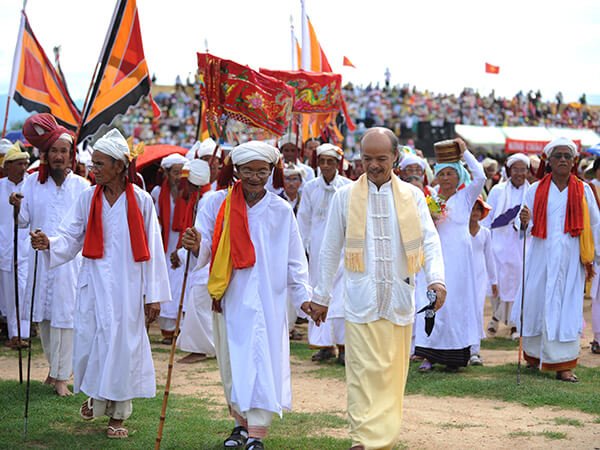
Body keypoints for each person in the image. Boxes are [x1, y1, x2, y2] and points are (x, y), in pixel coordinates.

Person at [308, 127, 446, 450]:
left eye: (381, 158)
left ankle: (382, 439)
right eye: (367, 158)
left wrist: (436, 279)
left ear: (395, 157)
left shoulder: (412, 196)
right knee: (360, 374)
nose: (373, 165)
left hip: (398, 298)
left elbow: (429, 240)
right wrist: (321, 297)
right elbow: (330, 249)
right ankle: (362, 439)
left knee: (391, 376)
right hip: (361, 300)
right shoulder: (345, 197)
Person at [30, 128, 170, 438]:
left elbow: (155, 250)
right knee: (92, 343)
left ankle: (118, 416)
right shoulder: (86, 198)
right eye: (93, 164)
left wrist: (154, 295)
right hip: (93, 284)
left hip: (128, 289)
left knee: (122, 348)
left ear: (120, 165)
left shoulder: (143, 201)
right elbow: (70, 236)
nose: (94, 170)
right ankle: (95, 396)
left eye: (100, 164)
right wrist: (48, 242)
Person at [181, 141, 311, 450]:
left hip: (268, 299)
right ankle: (240, 426)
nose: (255, 178)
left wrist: (303, 297)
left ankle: (257, 434)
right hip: (229, 295)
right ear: (236, 171)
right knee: (232, 362)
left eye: (262, 172)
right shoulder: (215, 203)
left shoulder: (281, 209)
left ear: (270, 172)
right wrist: (195, 242)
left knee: (262, 361)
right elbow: (206, 245)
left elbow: (295, 260)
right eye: (248, 171)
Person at [11, 113, 90, 396]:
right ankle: (52, 369)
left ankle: (61, 376)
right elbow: (23, 221)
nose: (58, 156)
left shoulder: (82, 187)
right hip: (40, 260)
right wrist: (17, 207)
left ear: (71, 156)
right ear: (46, 154)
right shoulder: (32, 183)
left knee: (65, 318)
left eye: (63, 151)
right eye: (54, 151)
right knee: (44, 317)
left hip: (69, 261)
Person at [514, 137, 600, 382]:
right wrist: (522, 221)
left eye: (567, 156)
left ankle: (564, 365)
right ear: (549, 161)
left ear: (574, 161)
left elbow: (595, 224)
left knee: (566, 309)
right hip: (540, 257)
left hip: (571, 259)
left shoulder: (583, 190)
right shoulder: (535, 189)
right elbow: (521, 222)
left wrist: (595, 256)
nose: (562, 160)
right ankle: (534, 355)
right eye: (558, 156)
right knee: (536, 304)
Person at [414, 138, 486, 372]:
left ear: (458, 176)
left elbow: (481, 177)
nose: (445, 178)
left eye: (450, 174)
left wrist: (465, 153)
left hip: (459, 261)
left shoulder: (466, 197)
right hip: (436, 257)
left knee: (455, 304)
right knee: (433, 301)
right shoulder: (431, 198)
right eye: (441, 174)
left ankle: (454, 356)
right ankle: (428, 354)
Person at [297, 143, 352, 365]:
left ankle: (344, 345)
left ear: (338, 164)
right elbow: (304, 220)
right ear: (317, 164)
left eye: (331, 161)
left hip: (343, 249)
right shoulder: (310, 188)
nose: (326, 165)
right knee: (319, 294)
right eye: (323, 161)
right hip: (318, 250)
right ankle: (324, 345)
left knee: (341, 298)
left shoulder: (348, 186)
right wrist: (302, 249)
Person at [481, 153, 530, 340]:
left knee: (518, 283)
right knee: (498, 283)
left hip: (521, 243)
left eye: (522, 169)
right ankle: (496, 317)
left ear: (527, 171)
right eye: (515, 169)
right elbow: (487, 218)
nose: (519, 173)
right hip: (499, 243)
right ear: (510, 170)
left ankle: (514, 323)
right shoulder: (498, 191)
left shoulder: (532, 191)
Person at [175, 159, 217, 363]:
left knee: (199, 302)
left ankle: (202, 349)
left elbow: (203, 236)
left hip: (207, 261)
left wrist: (185, 252)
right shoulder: (200, 199)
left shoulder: (207, 200)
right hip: (201, 260)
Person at [151, 153, 189, 344]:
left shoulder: (189, 192)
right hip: (165, 244)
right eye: (175, 172)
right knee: (166, 283)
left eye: (182, 172)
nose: (178, 177)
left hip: (182, 244)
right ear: (166, 173)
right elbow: (154, 218)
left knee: (179, 284)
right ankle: (167, 329)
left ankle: (180, 329)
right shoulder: (158, 192)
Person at [0, 143, 30, 349]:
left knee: (25, 289)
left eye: (25, 163)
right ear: (7, 166)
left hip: (27, 247)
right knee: (10, 293)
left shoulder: (32, 185)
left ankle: (25, 333)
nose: (23, 167)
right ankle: (13, 334)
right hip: (5, 247)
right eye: (19, 164)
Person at [468, 196, 497, 366]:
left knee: (477, 311)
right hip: (462, 276)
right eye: (472, 209)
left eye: (478, 210)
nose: (475, 213)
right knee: (463, 310)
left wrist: (493, 281)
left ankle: (475, 351)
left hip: (479, 278)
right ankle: (461, 348)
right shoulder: (460, 231)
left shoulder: (485, 233)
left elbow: (489, 258)